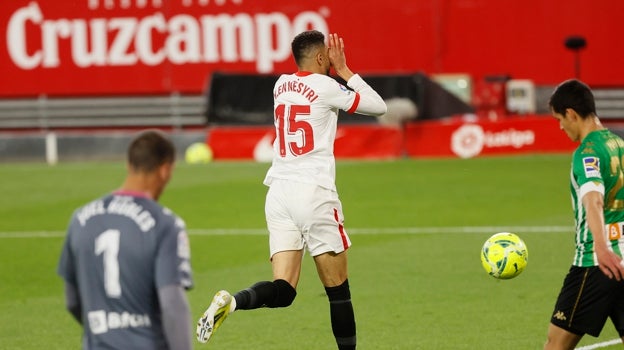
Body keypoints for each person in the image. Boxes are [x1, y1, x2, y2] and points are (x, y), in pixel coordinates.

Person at [196, 30, 387, 349]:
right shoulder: (328, 86)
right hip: (313, 194)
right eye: (329, 54)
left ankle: (232, 301)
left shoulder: (280, 84)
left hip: (279, 193)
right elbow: (378, 107)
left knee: (284, 289)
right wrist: (346, 71)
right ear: (322, 57)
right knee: (338, 293)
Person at [57, 130, 194, 350]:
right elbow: (171, 303)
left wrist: (106, 331)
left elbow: (72, 300)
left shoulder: (80, 219)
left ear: (129, 165)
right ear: (165, 170)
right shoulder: (166, 224)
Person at [545, 79, 624, 349]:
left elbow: (593, 200)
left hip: (596, 262)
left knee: (556, 345)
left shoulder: (587, 153)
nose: (560, 126)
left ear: (571, 114)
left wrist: (602, 248)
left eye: (559, 119)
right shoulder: (618, 143)